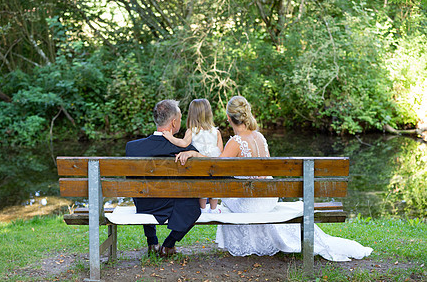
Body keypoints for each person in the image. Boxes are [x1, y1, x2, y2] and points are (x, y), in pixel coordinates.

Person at [175, 96, 373, 261]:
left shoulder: (235, 142)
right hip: (269, 197)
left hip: (252, 202)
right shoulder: (260, 137)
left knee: (224, 193)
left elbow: (215, 166)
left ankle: (246, 243)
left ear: (229, 118)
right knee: (235, 191)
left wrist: (196, 155)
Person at [125, 99, 201, 257]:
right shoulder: (183, 148)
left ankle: (152, 242)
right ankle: (168, 244)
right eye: (180, 119)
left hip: (144, 203)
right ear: (174, 123)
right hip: (171, 205)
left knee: (143, 190)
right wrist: (194, 154)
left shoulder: (132, 147)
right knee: (193, 206)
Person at [163, 99, 223, 213]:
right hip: (214, 168)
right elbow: (220, 152)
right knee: (214, 186)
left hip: (199, 168)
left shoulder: (192, 131)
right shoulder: (216, 132)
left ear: (192, 114)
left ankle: (203, 209)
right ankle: (214, 209)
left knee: (202, 186)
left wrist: (170, 137)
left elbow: (184, 143)